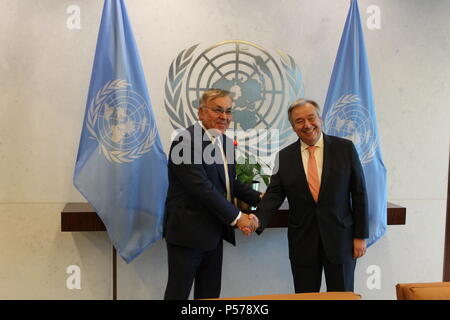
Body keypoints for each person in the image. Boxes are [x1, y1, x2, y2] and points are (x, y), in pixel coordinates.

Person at [255, 98, 369, 293]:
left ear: (320, 119)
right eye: (299, 121)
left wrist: (360, 236)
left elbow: (359, 193)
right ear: (293, 127)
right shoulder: (284, 157)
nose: (307, 125)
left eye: (311, 118)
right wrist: (256, 220)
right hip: (303, 242)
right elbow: (274, 194)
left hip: (341, 240)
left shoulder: (345, 149)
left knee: (342, 297)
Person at [163, 88, 261, 300]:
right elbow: (202, 188)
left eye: (228, 111)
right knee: (178, 295)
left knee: (209, 297)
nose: (224, 117)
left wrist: (259, 198)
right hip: (187, 235)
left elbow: (228, 181)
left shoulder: (225, 141)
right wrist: (237, 217)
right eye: (218, 110)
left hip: (214, 233)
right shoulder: (185, 142)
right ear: (201, 112)